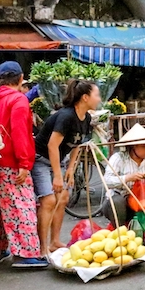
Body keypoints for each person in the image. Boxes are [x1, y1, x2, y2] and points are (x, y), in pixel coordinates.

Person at [0, 61, 48, 269]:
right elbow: (21, 133)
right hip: (10, 162)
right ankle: (26, 254)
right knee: (21, 207)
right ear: (21, 79)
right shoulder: (18, 100)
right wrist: (24, 163)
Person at [32, 79, 101, 252]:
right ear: (85, 97)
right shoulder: (66, 116)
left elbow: (77, 144)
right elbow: (52, 145)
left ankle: (55, 241)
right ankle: (42, 248)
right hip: (41, 159)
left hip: (59, 160)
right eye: (97, 95)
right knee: (48, 201)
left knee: (62, 198)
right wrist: (57, 175)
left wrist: (70, 168)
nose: (99, 99)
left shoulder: (86, 118)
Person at [101, 123, 145, 225]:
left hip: (143, 200)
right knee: (117, 203)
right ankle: (120, 232)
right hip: (122, 200)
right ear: (134, 146)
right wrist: (128, 178)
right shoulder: (119, 158)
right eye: (144, 146)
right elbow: (107, 181)